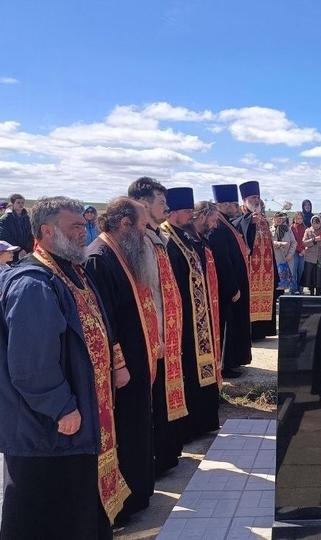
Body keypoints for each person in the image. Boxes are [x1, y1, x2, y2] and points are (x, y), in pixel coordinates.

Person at [0, 196, 130, 539]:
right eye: (75, 226)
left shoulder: (70, 272)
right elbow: (31, 361)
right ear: (47, 230)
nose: (84, 233)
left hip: (74, 421)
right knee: (45, 513)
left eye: (84, 225)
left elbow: (99, 326)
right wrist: (60, 406)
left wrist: (115, 365)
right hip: (46, 428)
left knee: (75, 508)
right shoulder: (34, 283)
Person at [84, 197, 157, 520]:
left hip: (137, 362)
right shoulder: (99, 258)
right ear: (124, 224)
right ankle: (125, 502)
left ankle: (139, 493)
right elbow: (104, 320)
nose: (146, 232)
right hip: (122, 370)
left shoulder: (121, 252)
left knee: (137, 427)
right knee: (126, 431)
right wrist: (119, 364)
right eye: (142, 226)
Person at [127, 176, 187, 475]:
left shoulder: (156, 237)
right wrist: (156, 334)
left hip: (166, 332)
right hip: (152, 336)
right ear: (143, 203)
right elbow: (144, 293)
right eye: (162, 202)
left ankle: (166, 454)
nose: (167, 207)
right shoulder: (137, 241)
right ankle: (156, 458)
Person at [162, 191, 221, 442]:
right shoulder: (167, 238)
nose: (191, 215)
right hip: (183, 320)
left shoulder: (186, 236)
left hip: (199, 318)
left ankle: (202, 422)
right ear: (173, 213)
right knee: (187, 371)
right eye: (187, 212)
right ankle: (189, 427)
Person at [209, 184, 252, 379]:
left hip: (236, 283)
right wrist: (232, 286)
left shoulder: (226, 223)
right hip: (229, 287)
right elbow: (223, 259)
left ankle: (234, 360)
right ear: (224, 204)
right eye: (234, 205)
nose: (237, 208)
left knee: (235, 323)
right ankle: (226, 364)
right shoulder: (218, 226)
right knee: (228, 325)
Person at [233, 181, 278, 341]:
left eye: (258, 197)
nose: (256, 200)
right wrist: (249, 223)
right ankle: (250, 332)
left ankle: (261, 331)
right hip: (250, 268)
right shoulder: (239, 215)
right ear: (245, 200)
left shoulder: (263, 219)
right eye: (253, 197)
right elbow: (235, 227)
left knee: (265, 297)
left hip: (266, 269)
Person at [301, 215, 321, 296]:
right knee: (311, 276)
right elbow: (304, 243)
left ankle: (319, 292)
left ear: (320, 223)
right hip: (310, 258)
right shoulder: (308, 231)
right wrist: (314, 240)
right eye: (314, 223)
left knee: (320, 276)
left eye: (317, 223)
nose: (315, 225)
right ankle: (311, 292)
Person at [291, 199, 313, 294]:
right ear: (294, 219)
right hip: (295, 252)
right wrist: (300, 250)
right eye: (297, 218)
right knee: (294, 271)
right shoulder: (292, 228)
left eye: (300, 218)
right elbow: (293, 241)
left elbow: (306, 240)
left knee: (301, 270)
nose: (299, 220)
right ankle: (293, 289)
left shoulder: (305, 228)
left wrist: (304, 250)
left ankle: (300, 289)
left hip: (304, 252)